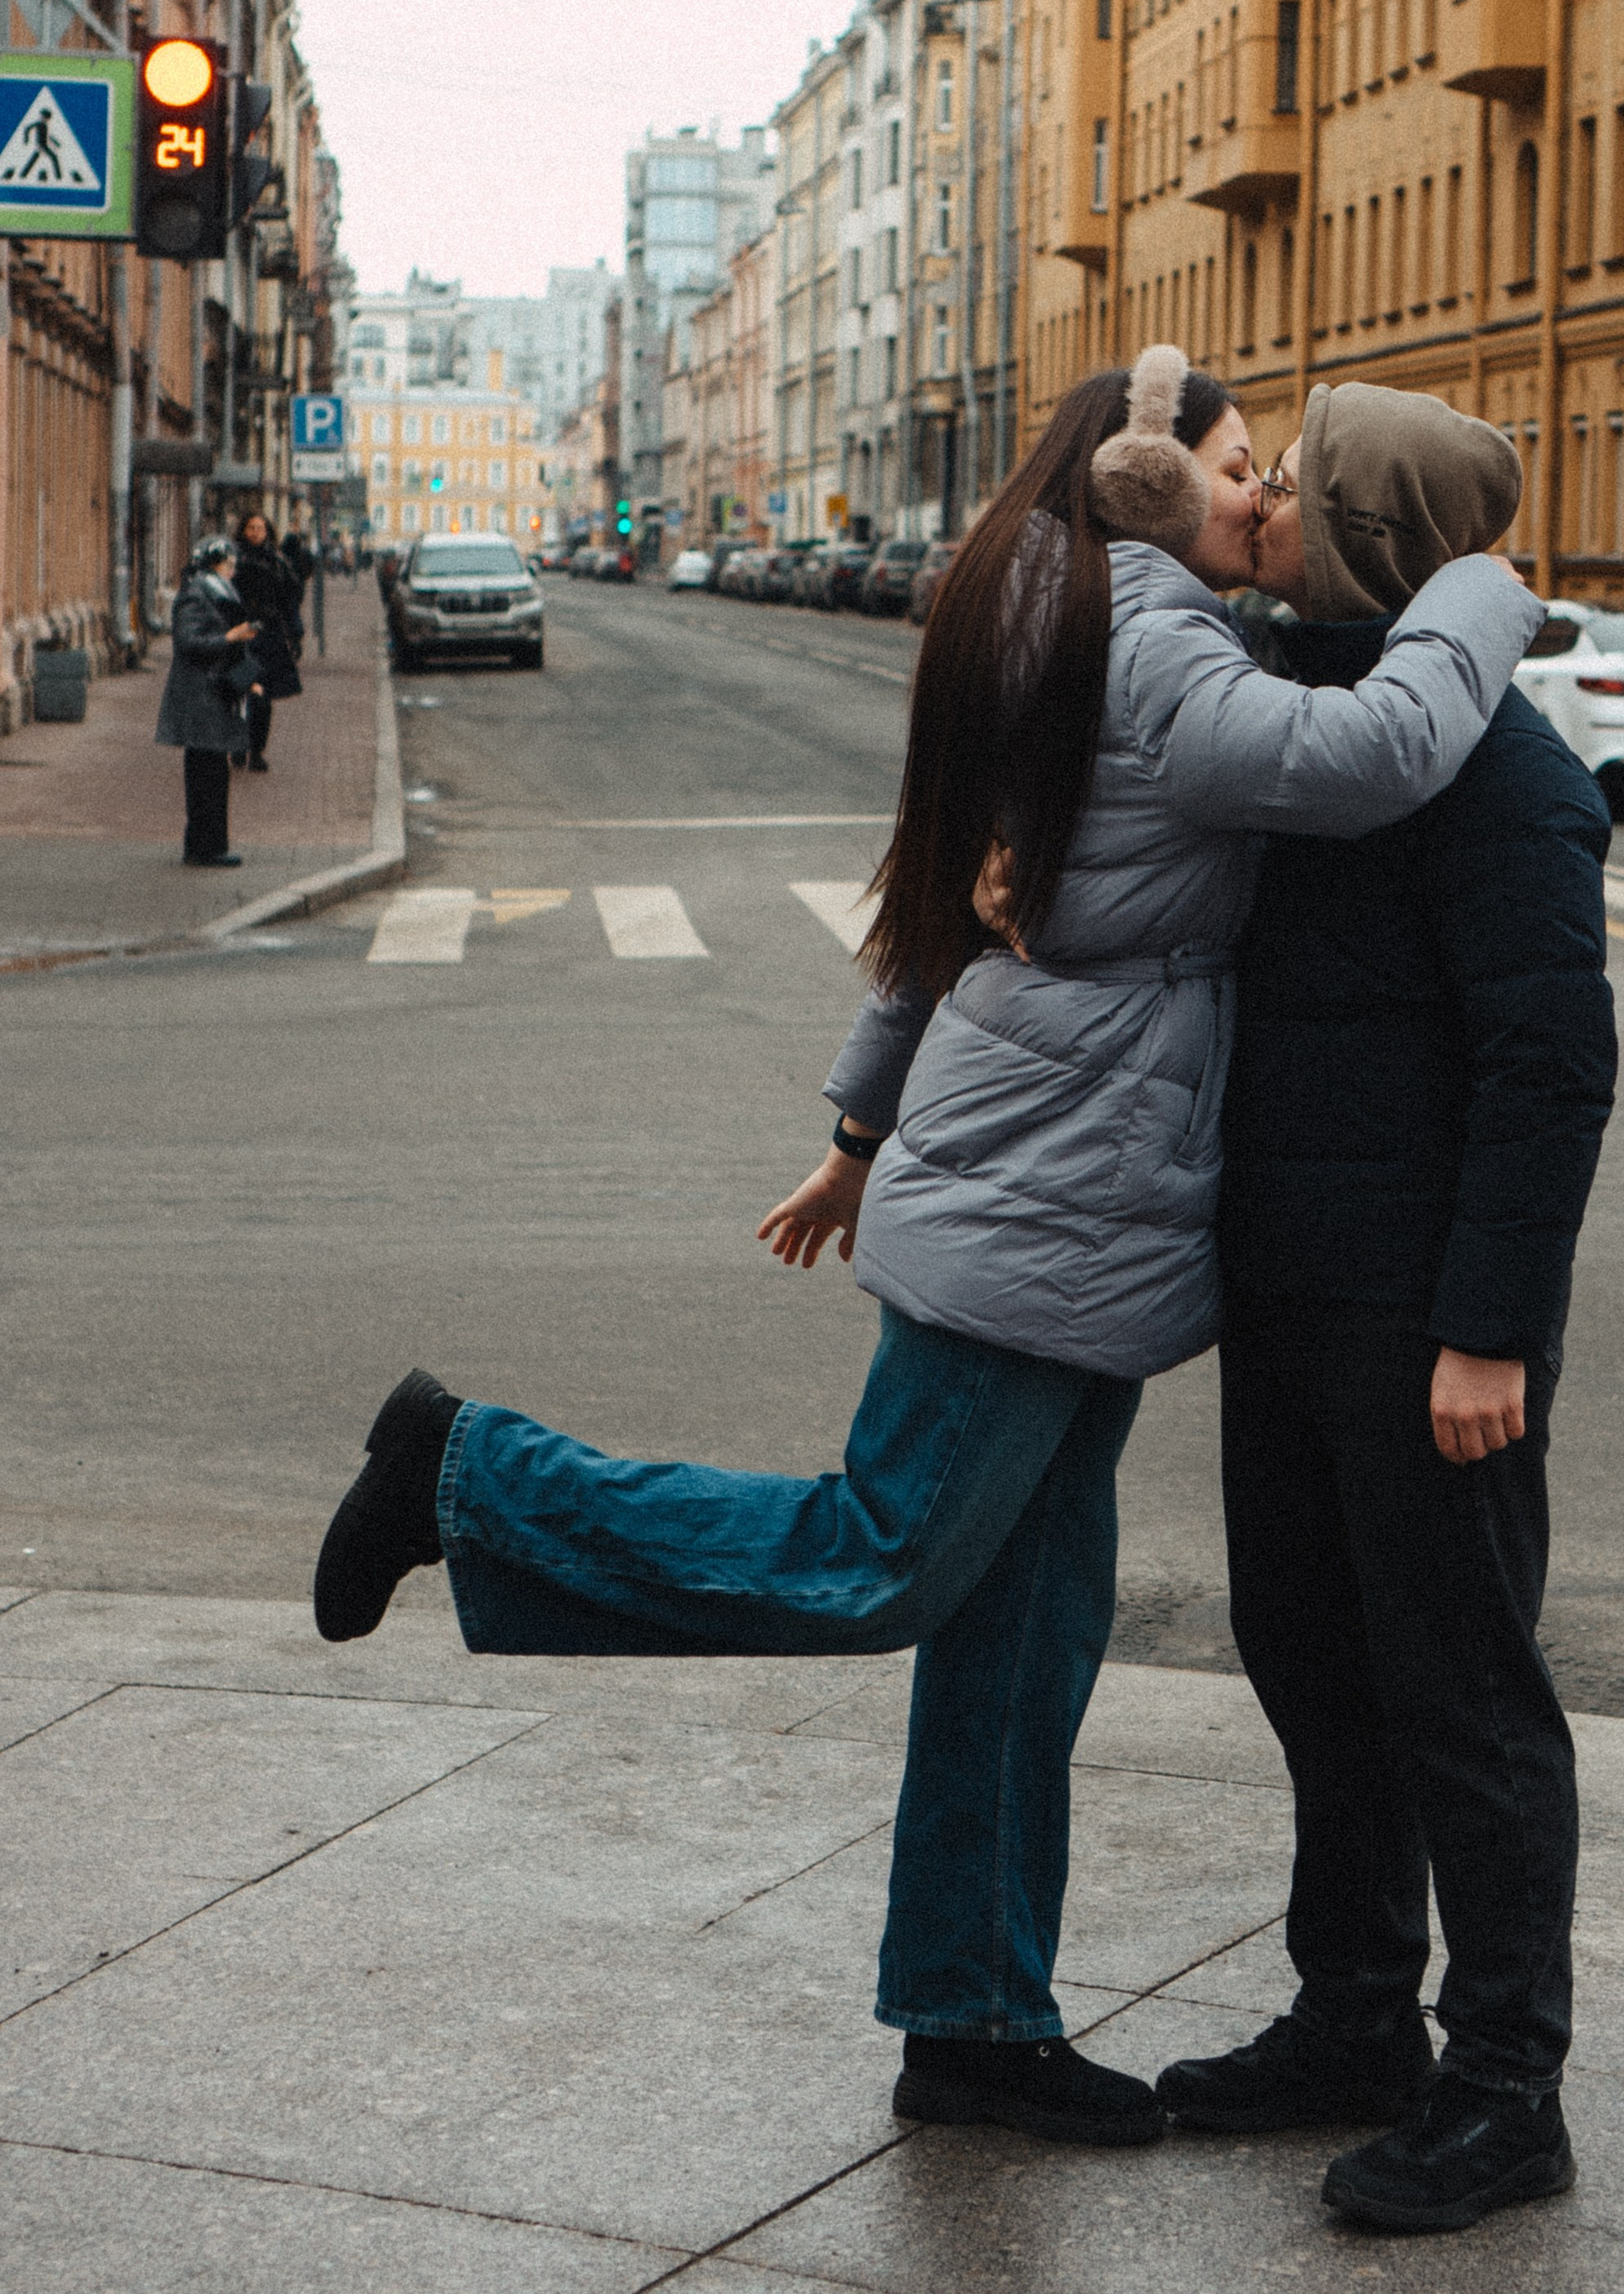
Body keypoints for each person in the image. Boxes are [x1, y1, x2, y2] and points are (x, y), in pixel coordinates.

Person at [311, 348, 1542, 2151]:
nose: (1258, 495)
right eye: (1234, 466)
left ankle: (972, 2020)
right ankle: (467, 1473)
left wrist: (855, 1133)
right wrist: (1483, 594)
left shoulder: (1072, 618)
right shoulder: (1149, 636)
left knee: (1020, 1634)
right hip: (1052, 1189)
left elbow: (941, 904)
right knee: (876, 1561)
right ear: (1139, 482)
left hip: (1081, 1196)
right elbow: (1362, 757)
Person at [1148, 385, 1616, 2240]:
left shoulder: (1502, 776)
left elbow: (1547, 1070)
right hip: (1289, 1296)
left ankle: (1504, 2090)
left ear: (1356, 533)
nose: (1254, 506)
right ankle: (1353, 2019)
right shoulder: (1308, 732)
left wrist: (1489, 1328)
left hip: (1430, 1326)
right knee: (1311, 1663)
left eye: (1288, 486)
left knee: (1463, 1703)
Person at [155, 537, 261, 867]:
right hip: (199, 695)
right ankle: (204, 848)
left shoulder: (217, 592)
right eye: (228, 564)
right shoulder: (196, 594)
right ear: (214, 564)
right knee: (206, 774)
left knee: (214, 772)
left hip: (215, 692)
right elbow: (188, 642)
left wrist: (245, 672)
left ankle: (211, 845)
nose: (233, 570)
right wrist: (230, 637)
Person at [232, 509, 302, 771]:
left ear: (268, 532)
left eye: (260, 528)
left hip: (268, 635)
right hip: (241, 635)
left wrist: (295, 634)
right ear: (243, 531)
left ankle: (257, 751)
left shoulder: (278, 563)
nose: (255, 533)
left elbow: (289, 601)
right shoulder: (234, 561)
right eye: (251, 528)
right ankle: (238, 744)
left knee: (263, 697)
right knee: (238, 692)